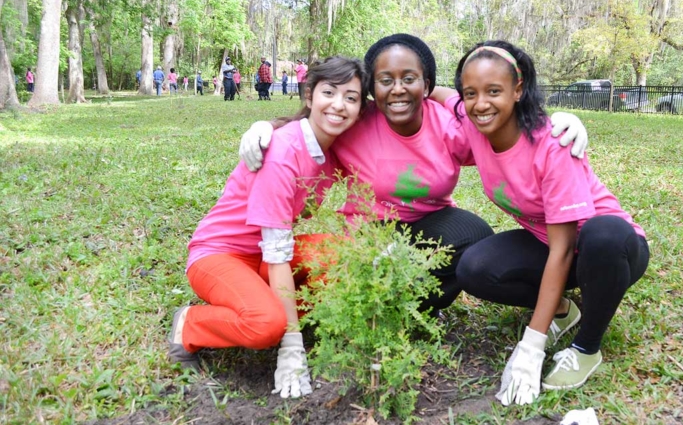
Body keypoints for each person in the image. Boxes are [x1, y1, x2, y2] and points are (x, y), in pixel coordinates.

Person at [239, 34, 588, 315]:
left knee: (476, 238)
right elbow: (315, 123)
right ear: (372, 89)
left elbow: (505, 126)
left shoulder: (451, 126)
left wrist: (554, 122)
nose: (398, 89)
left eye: (409, 79)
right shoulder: (357, 122)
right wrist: (266, 125)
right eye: (385, 80)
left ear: (427, 84)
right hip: (367, 231)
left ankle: (413, 310)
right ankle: (367, 301)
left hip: (428, 222)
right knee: (336, 276)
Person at [431, 41, 649, 406]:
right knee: (474, 268)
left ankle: (586, 348)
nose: (481, 103)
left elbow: (564, 248)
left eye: (494, 91)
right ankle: (564, 310)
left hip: (610, 250)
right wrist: (394, 88)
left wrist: (532, 345)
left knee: (602, 233)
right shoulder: (473, 120)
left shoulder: (552, 144)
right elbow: (439, 93)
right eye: (472, 93)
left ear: (518, 90)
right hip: (548, 243)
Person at [168, 56, 369, 399]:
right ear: (309, 96)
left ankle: (274, 307)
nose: (339, 105)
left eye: (351, 97)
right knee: (267, 326)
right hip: (220, 255)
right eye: (330, 92)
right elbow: (278, 253)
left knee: (345, 254)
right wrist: (291, 346)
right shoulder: (282, 151)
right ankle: (190, 323)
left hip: (265, 253)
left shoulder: (334, 148)